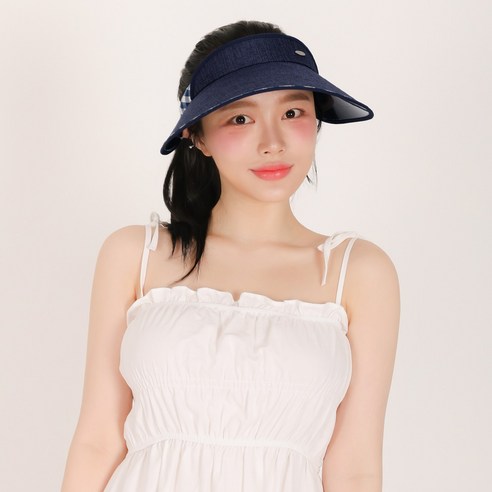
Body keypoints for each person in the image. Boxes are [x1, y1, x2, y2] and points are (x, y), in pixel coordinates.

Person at [61, 20, 400, 492]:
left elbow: (356, 467)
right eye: (240, 118)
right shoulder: (134, 255)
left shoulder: (357, 272)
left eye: (293, 112)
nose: (272, 142)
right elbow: (98, 441)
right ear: (196, 136)